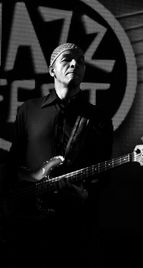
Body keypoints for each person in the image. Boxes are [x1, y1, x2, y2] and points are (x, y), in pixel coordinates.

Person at [1, 43, 113, 268]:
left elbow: (104, 171)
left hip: (75, 226)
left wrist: (85, 194)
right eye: (67, 59)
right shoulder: (29, 110)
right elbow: (13, 162)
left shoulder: (98, 119)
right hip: (28, 225)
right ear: (52, 69)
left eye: (80, 61)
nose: (75, 63)